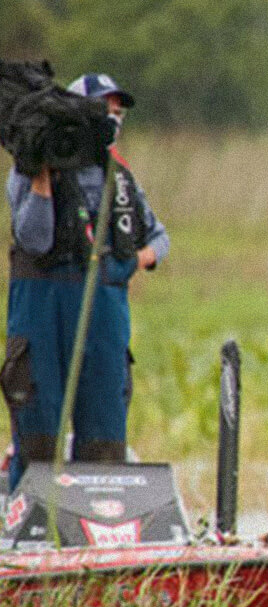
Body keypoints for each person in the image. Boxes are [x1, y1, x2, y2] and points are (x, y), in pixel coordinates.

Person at [2, 73, 169, 490]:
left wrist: (135, 261)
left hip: (104, 311)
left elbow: (158, 236)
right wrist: (42, 179)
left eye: (118, 110)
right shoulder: (29, 168)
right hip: (42, 306)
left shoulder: (121, 177)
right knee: (40, 432)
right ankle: (30, 519)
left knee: (104, 437)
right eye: (104, 108)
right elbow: (35, 239)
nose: (113, 117)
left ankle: (100, 522)